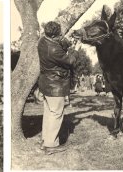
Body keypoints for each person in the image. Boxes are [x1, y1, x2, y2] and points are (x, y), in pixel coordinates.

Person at [36, 21, 75, 154]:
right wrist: (73, 49)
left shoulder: (42, 41)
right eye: (59, 34)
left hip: (45, 82)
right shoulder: (54, 50)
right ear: (55, 35)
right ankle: (51, 145)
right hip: (56, 85)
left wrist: (64, 43)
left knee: (49, 113)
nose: (61, 36)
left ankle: (45, 141)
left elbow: (58, 46)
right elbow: (70, 61)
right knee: (56, 113)